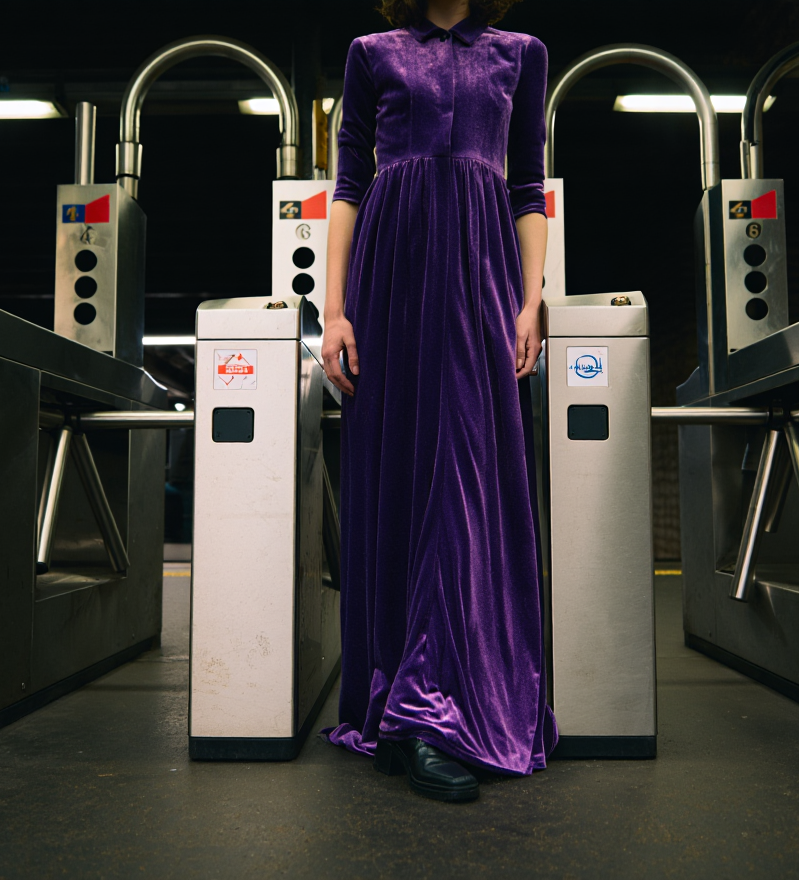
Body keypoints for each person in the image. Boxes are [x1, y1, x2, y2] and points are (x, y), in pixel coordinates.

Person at [321, 0, 556, 803]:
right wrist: (336, 308)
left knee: (466, 479)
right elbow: (349, 182)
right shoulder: (371, 52)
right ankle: (409, 710)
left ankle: (429, 709)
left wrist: (530, 302)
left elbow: (528, 186)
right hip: (394, 273)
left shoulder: (520, 54)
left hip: (482, 272)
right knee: (406, 471)